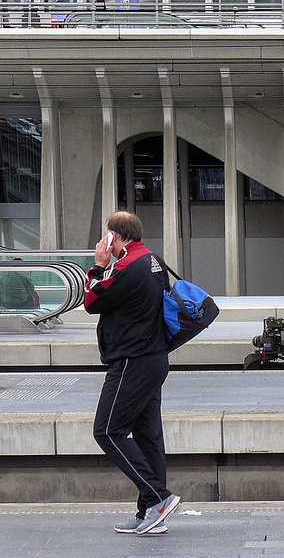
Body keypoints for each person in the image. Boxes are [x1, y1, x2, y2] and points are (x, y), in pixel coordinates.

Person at [84, 211, 180, 535]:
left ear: (114, 237)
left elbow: (91, 299)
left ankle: (157, 497)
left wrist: (99, 263)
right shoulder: (152, 260)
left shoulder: (126, 267)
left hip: (131, 361)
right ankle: (150, 514)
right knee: (147, 436)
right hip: (154, 358)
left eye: (106, 236)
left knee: (107, 431)